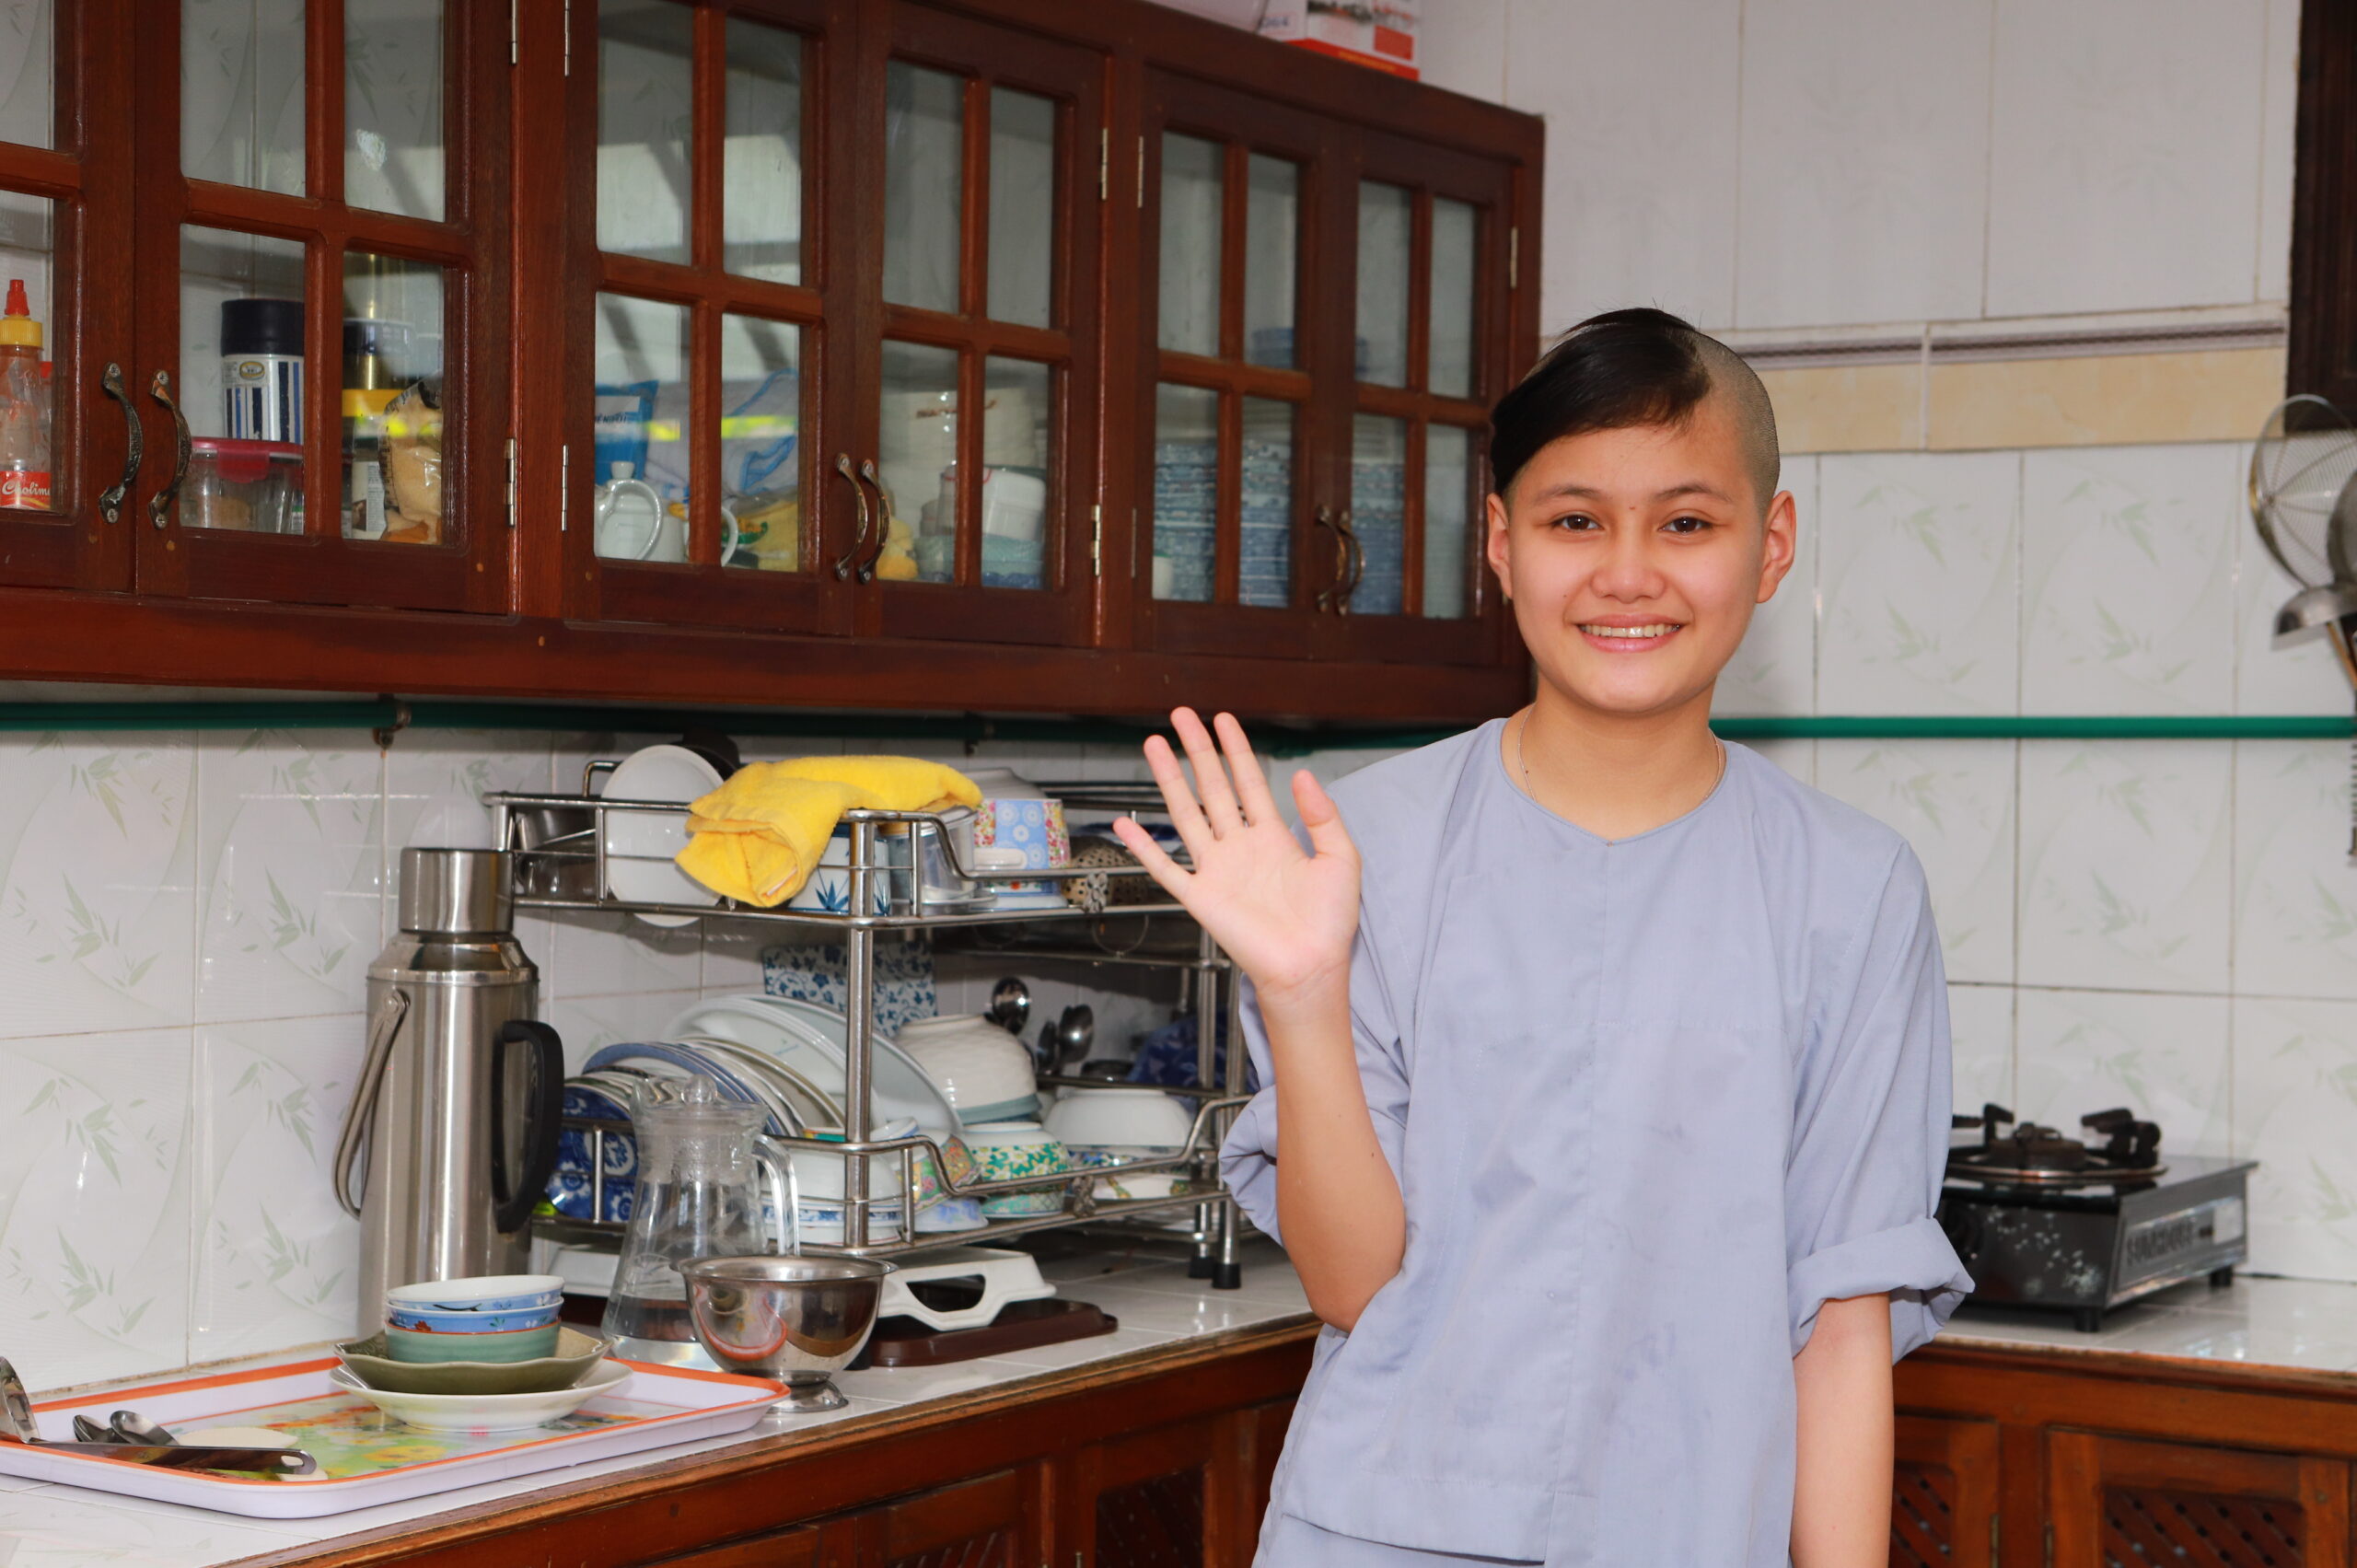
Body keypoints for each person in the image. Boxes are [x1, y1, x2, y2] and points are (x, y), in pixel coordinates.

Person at [1110, 308, 1972, 1568]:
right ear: (1503, 546)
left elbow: (1841, 1330)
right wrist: (1301, 996)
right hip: (1385, 1536)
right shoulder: (1360, 853)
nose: (1628, 575)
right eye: (1576, 521)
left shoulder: (1853, 890)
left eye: (1686, 523)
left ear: (1771, 545)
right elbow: (1353, 1288)